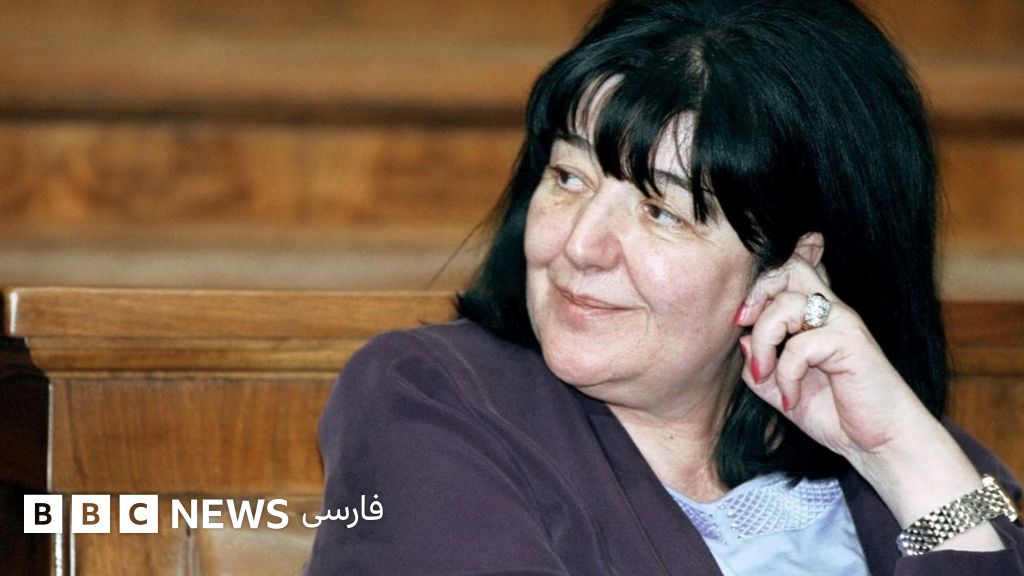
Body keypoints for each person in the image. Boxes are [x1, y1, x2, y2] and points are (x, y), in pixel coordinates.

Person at [305, 0, 1023, 573]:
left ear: (790, 266)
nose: (579, 246)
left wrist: (897, 451)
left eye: (660, 212)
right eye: (568, 177)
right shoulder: (430, 400)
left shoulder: (916, 454)